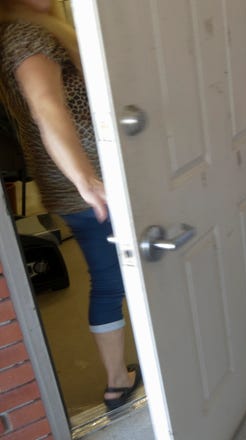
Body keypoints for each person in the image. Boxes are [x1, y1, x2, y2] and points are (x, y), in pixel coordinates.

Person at [0, 0, 140, 410]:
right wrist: (87, 179)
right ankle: (117, 382)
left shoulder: (29, 27)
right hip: (88, 187)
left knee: (114, 275)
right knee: (111, 281)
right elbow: (48, 109)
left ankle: (122, 376)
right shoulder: (27, 35)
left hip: (76, 183)